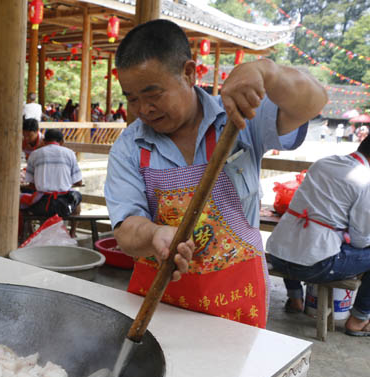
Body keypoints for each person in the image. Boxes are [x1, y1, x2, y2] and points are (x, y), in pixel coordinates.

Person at [104, 19, 326, 327]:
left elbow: (313, 101)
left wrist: (267, 72)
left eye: (152, 94)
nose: (143, 109)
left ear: (189, 72)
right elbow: (126, 228)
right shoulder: (130, 147)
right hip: (161, 303)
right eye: (131, 98)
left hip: (237, 303)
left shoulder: (239, 116)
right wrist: (154, 234)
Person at [266, 136, 370, 337]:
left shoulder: (324, 163)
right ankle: (358, 320)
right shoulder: (366, 180)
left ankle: (296, 299)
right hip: (314, 265)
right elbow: (360, 240)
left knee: (297, 239)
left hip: (278, 254)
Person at [24, 129, 83, 224]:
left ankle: (31, 233)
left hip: (42, 206)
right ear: (62, 142)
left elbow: (31, 184)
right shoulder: (70, 153)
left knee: (21, 202)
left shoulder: (34, 154)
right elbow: (78, 182)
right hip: (63, 205)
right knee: (77, 198)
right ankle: (72, 233)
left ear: (44, 141)